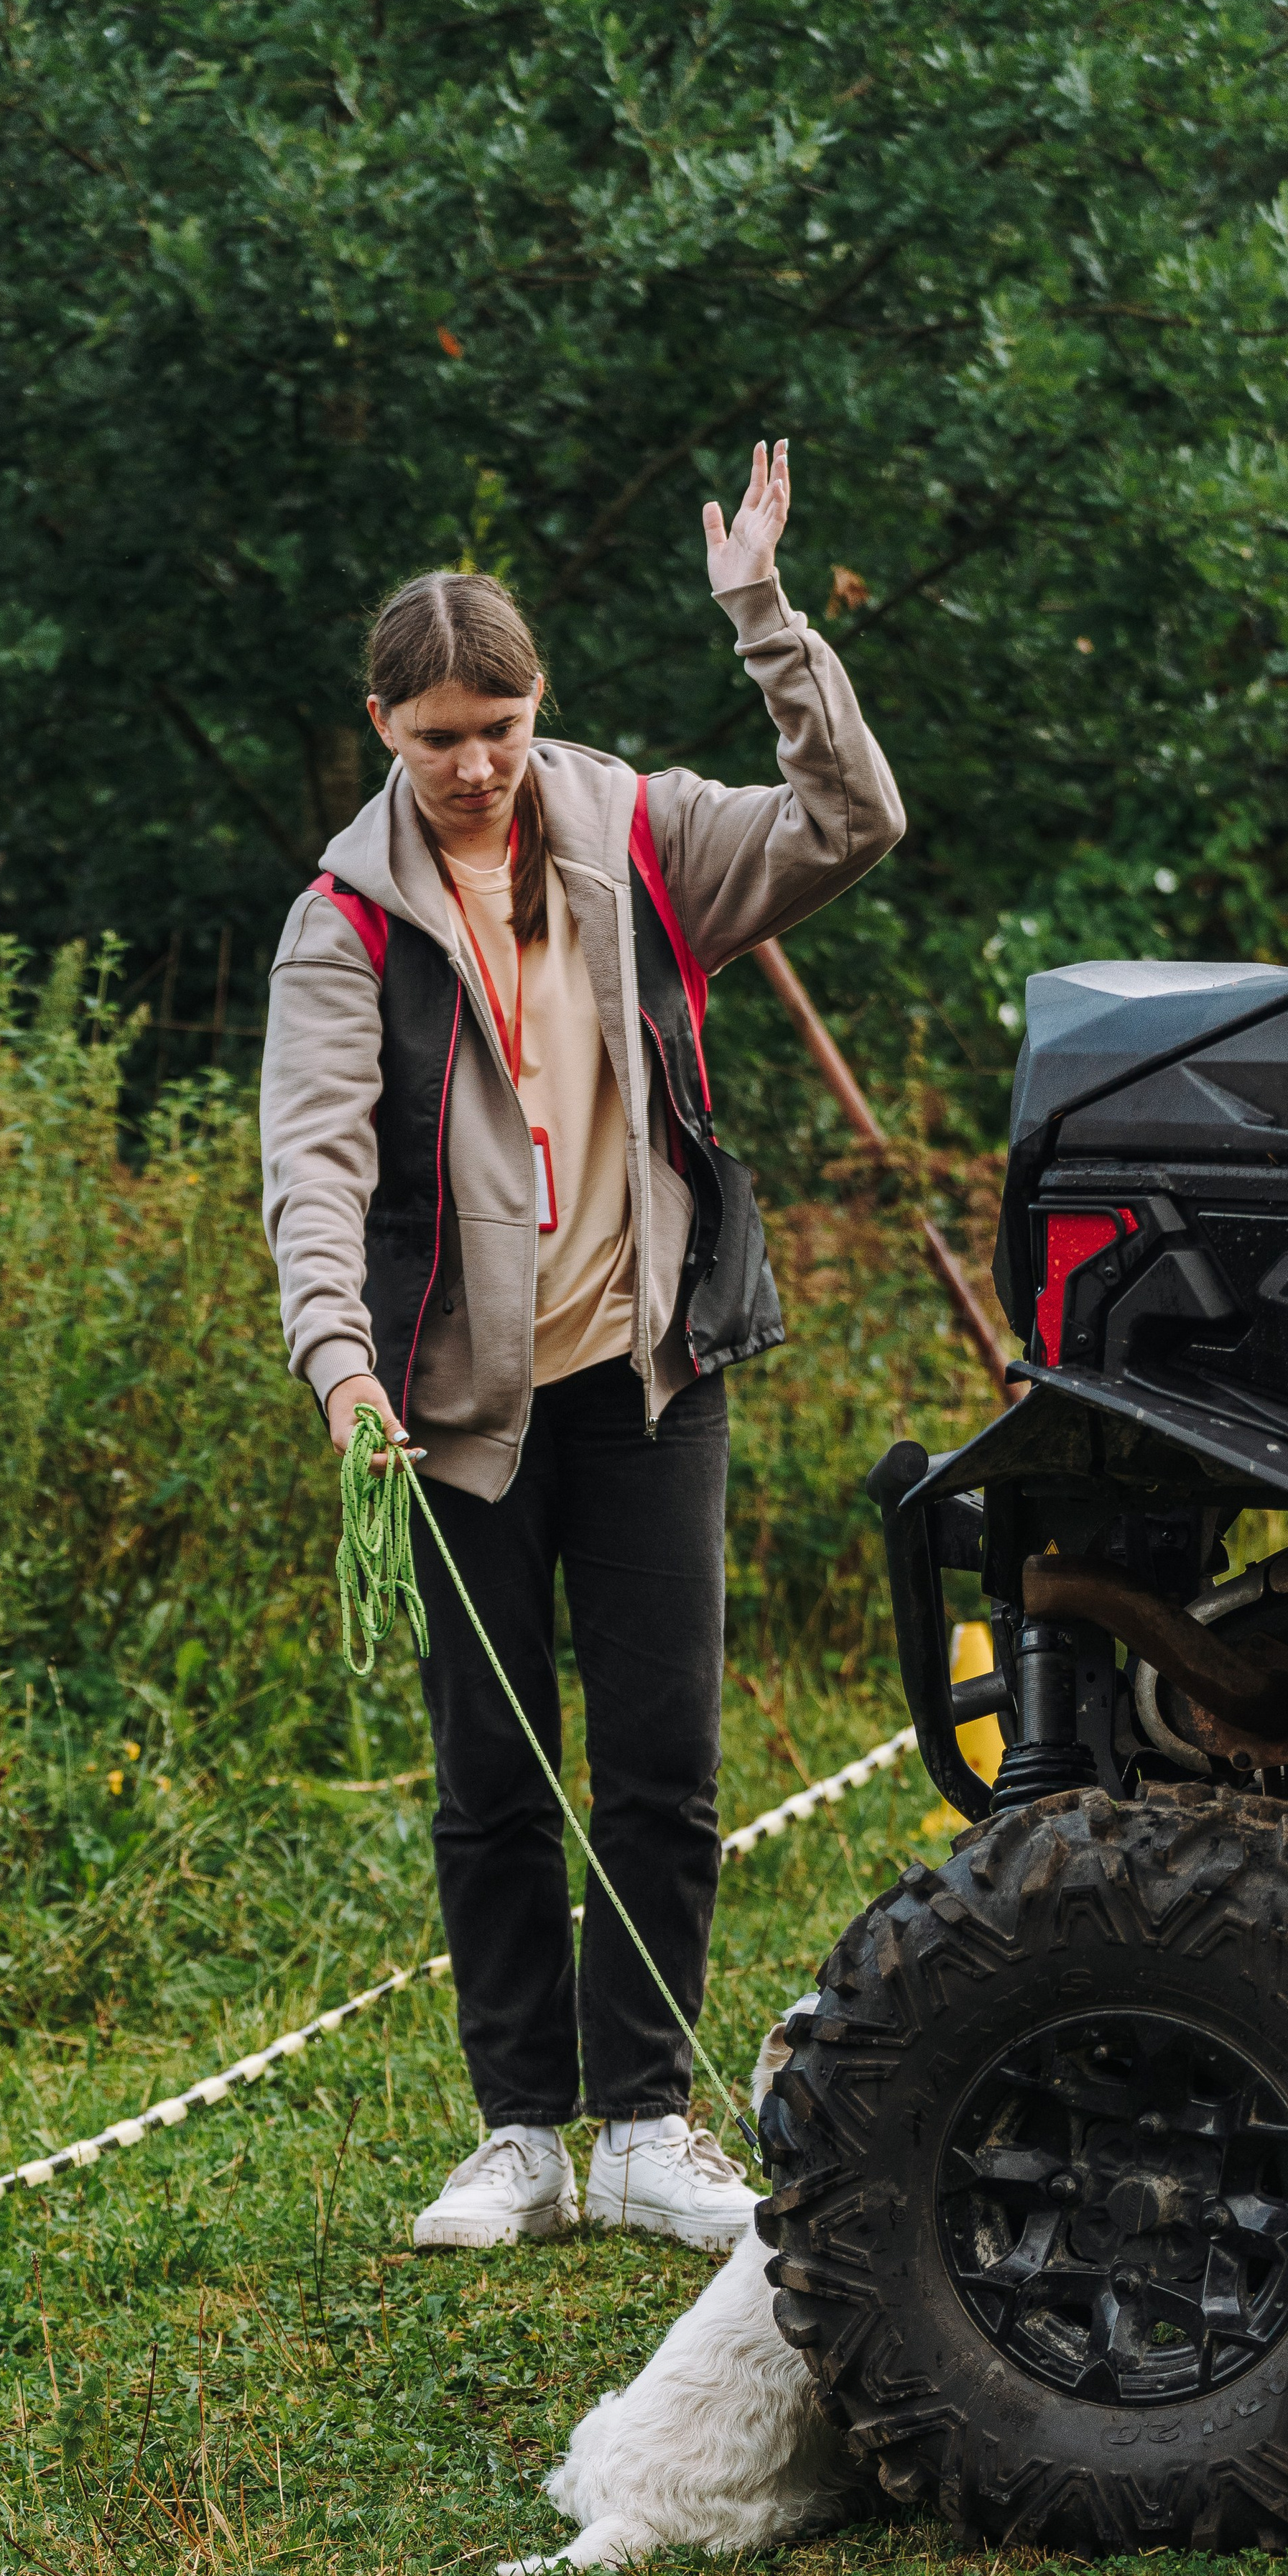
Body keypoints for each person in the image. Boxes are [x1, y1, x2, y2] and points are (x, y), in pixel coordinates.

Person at [260, 443, 904, 2253]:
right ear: (382, 724)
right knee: (491, 1774)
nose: (477, 763)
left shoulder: (633, 830)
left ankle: (644, 2123)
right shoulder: (342, 924)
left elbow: (849, 822)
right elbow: (309, 1170)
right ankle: (519, 2130)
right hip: (447, 1408)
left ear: (541, 706)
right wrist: (341, 1366)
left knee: (662, 1761)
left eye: (505, 722)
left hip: (642, 1373)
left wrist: (765, 619)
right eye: (440, 734)